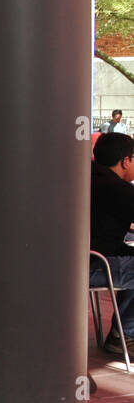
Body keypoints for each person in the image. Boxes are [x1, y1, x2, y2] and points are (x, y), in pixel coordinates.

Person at [91, 133, 134, 355]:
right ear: (126, 161)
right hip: (92, 265)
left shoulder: (84, 176)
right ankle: (124, 334)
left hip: (67, 258)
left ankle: (122, 332)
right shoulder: (118, 189)